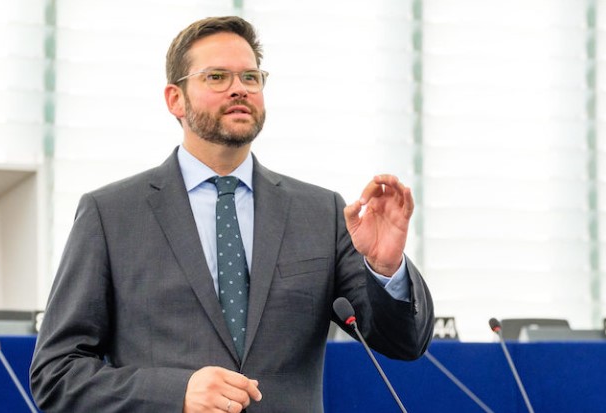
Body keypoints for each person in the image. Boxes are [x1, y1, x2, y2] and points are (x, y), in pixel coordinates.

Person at [30, 15, 434, 413]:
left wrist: (386, 268)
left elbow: (405, 344)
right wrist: (176, 393)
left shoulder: (320, 213)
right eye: (217, 77)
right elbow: (56, 374)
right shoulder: (111, 215)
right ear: (175, 99)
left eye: (250, 77)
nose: (239, 88)